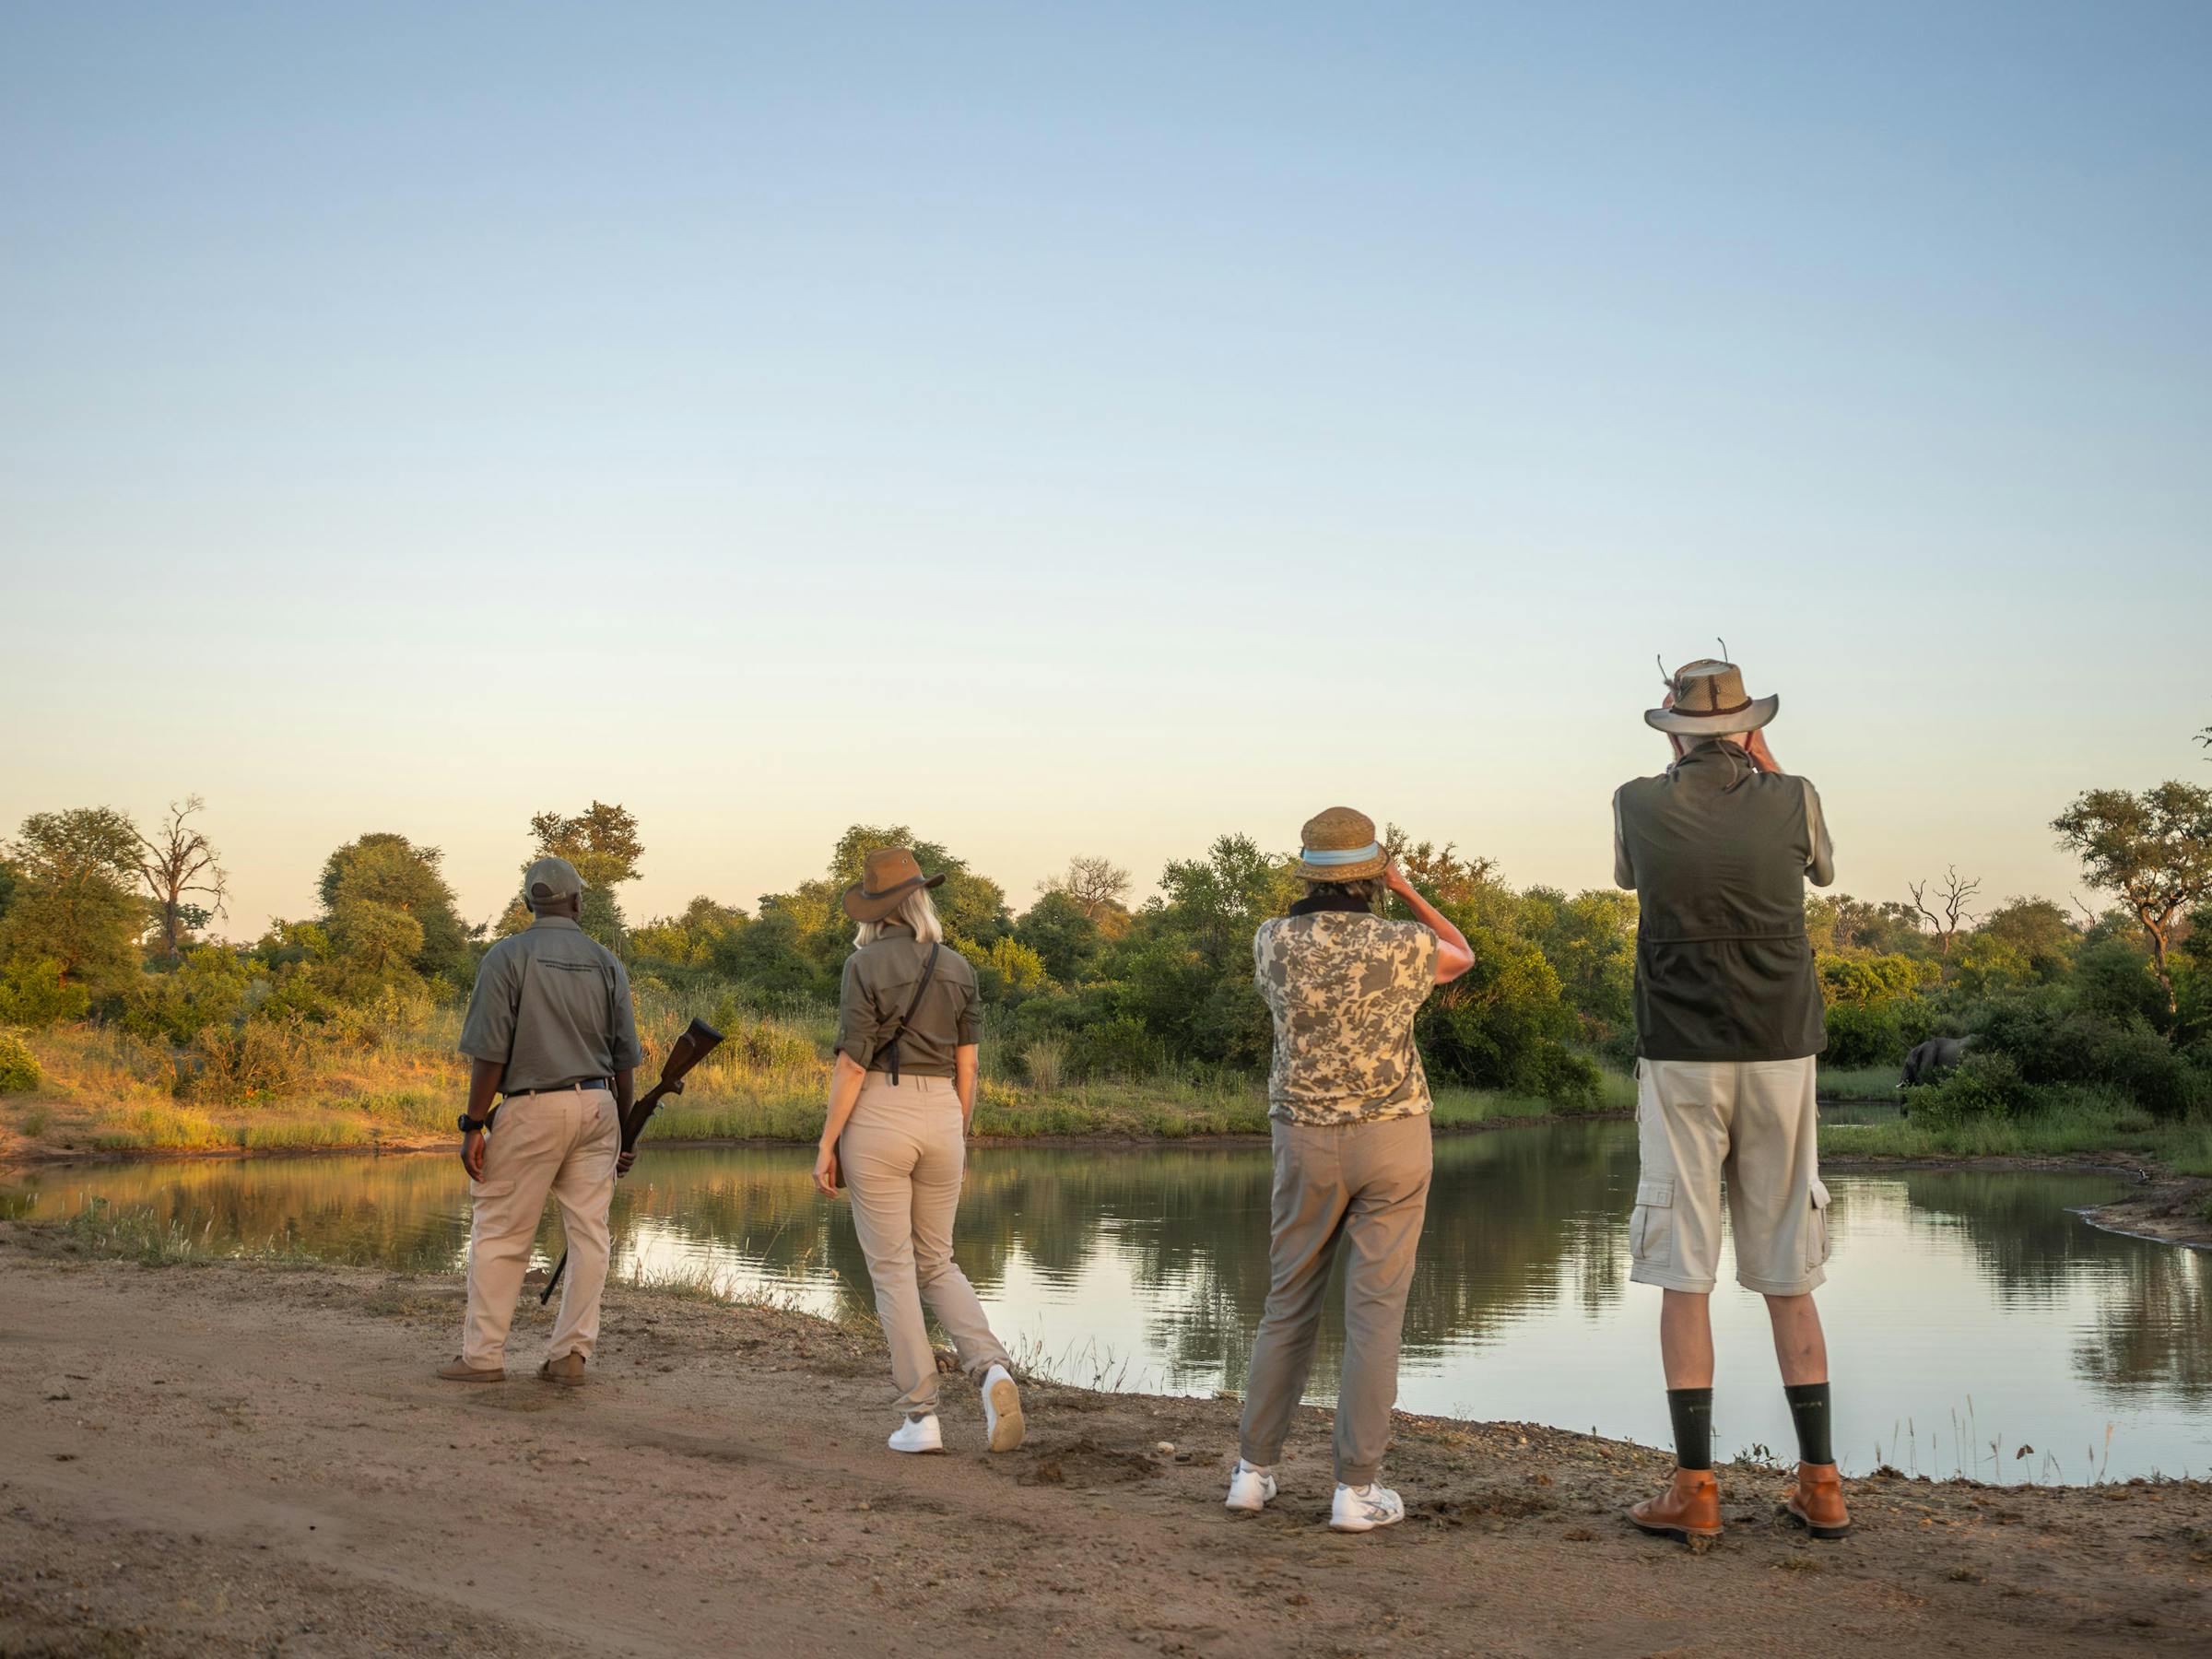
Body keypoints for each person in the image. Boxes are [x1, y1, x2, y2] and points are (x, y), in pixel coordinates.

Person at [1613, 658, 1850, 1543]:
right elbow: (1823, 869)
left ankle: (1696, 1490)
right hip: (1782, 1047)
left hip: (1680, 1051)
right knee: (1789, 1267)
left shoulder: (1635, 801)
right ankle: (1821, 1485)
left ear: (1672, 728)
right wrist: (1763, 756)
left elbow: (1632, 879)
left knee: (1685, 1271)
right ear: (1749, 727)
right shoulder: (1794, 795)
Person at [1226, 806, 1474, 1534]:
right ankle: (1355, 1490)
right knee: (1374, 1317)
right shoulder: (1404, 944)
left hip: (1303, 1139)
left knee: (1287, 1302)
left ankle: (1251, 1472)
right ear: (1372, 876)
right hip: (1393, 1137)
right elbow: (1462, 954)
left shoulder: (1271, 940)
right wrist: (1406, 889)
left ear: (1308, 872)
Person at [812, 846, 1023, 1456]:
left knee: (893, 1268)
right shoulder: (958, 967)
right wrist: (957, 1128)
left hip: (881, 1111)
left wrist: (828, 1142)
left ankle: (921, 1415)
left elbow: (852, 1063)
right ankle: (991, 1369)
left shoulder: (863, 965)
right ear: (921, 899)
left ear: (876, 911)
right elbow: (970, 1063)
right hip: (943, 1115)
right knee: (938, 1261)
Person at [440, 854, 642, 1387]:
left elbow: (489, 1053)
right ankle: (570, 1356)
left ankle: (483, 1357)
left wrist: (473, 1125)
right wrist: (625, 1129)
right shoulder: (605, 961)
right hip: (598, 1106)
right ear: (577, 901)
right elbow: (625, 1060)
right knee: (590, 1236)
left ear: (528, 903)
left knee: (503, 1232)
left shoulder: (506, 957)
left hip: (531, 1107)